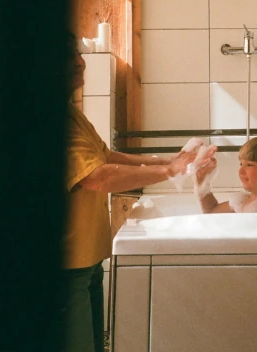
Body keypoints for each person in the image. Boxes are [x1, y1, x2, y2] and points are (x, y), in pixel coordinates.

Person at [62, 33, 215, 352]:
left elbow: (109, 156)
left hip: (86, 259)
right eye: (67, 56)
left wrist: (170, 161)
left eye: (77, 53)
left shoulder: (71, 113)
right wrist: (169, 171)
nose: (80, 60)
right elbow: (97, 177)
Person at [193, 135, 257, 214]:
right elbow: (211, 211)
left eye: (249, 165)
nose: (240, 170)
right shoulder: (242, 202)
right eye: (241, 164)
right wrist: (203, 183)